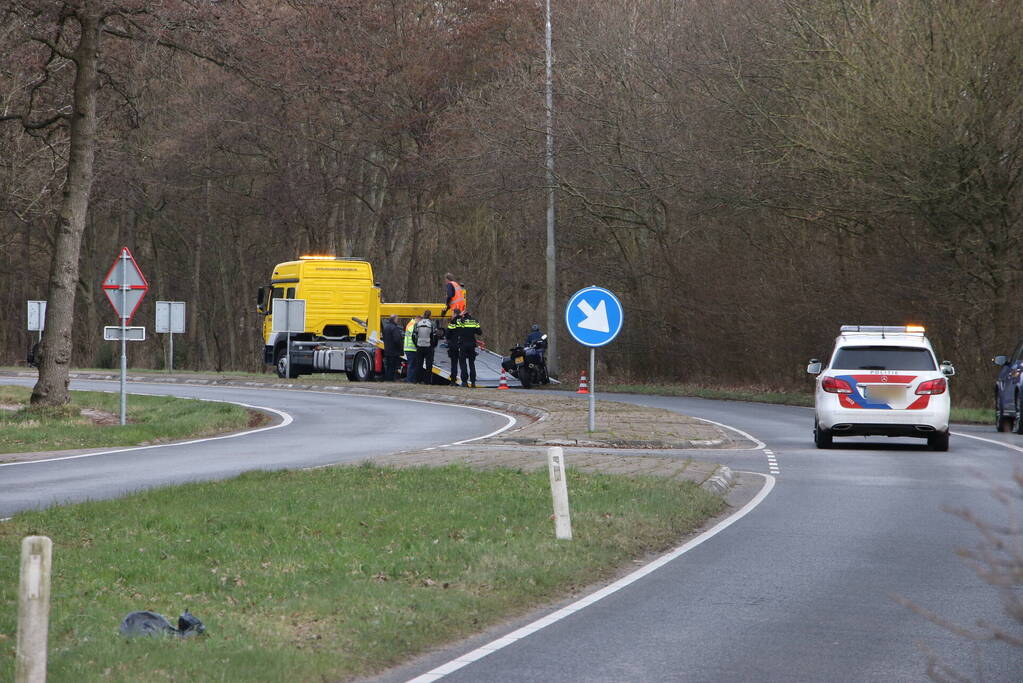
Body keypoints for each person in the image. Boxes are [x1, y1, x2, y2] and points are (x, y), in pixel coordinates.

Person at [454, 310, 482, 388]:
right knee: (471, 364)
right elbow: (479, 332)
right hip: (472, 345)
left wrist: (459, 316)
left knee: (463, 364)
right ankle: (473, 382)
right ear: (470, 314)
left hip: (463, 344)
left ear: (463, 315)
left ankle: (464, 382)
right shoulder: (474, 321)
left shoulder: (460, 321)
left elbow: (454, 326)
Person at [413, 310, 436, 384]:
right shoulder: (432, 323)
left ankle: (418, 380)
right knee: (429, 365)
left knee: (419, 364)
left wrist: (416, 344)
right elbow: (434, 336)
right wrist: (433, 345)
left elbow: (413, 336)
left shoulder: (417, 323)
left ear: (423, 315)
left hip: (419, 346)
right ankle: (427, 381)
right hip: (429, 346)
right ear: (430, 315)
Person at [381, 314, 403, 381]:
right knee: (392, 367)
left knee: (388, 366)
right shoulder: (394, 328)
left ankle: (387, 379)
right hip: (394, 351)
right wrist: (400, 347)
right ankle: (390, 380)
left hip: (387, 350)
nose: (397, 320)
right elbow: (397, 340)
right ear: (394, 319)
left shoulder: (386, 327)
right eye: (397, 319)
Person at [446, 312, 462, 385]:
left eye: (452, 314)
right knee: (463, 364)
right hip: (462, 345)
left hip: (453, 346)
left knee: (454, 364)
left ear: (455, 314)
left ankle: (453, 380)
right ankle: (464, 381)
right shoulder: (463, 322)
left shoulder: (452, 323)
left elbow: (448, 334)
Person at [403, 314, 420, 383]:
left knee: (412, 365)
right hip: (411, 348)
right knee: (411, 365)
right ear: (418, 318)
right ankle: (409, 380)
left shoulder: (410, 324)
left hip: (409, 348)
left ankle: (410, 379)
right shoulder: (413, 325)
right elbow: (415, 336)